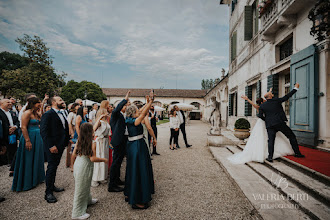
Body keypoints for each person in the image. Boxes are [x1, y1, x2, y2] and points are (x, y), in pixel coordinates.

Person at [228, 91, 296, 164]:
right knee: (267, 138)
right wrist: (247, 99)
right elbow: (253, 105)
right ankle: (269, 153)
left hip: (269, 123)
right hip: (266, 123)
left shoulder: (265, 105)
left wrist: (270, 91)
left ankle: (270, 155)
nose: (265, 100)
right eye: (263, 100)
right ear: (261, 102)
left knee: (271, 139)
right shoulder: (260, 107)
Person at [258, 83, 304, 162]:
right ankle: (297, 153)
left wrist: (267, 119)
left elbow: (260, 115)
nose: (272, 94)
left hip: (270, 125)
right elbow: (287, 96)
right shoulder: (276, 100)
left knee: (271, 140)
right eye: (271, 94)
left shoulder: (262, 105)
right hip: (279, 123)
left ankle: (270, 157)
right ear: (270, 96)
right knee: (291, 136)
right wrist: (295, 88)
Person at [124, 92, 155, 209]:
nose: (139, 112)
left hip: (138, 145)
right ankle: (136, 200)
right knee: (137, 169)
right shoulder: (131, 121)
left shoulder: (132, 118)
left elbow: (142, 112)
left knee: (138, 169)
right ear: (132, 113)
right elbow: (143, 114)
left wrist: (149, 103)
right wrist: (150, 103)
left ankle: (131, 193)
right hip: (136, 147)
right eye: (137, 111)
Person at [71, 123, 107, 220]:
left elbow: (73, 154)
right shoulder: (92, 142)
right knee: (80, 189)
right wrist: (104, 160)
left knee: (85, 185)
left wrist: (72, 166)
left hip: (78, 164)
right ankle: (77, 213)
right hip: (84, 166)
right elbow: (93, 158)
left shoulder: (80, 140)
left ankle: (88, 200)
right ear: (90, 132)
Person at [12, 97, 45, 191]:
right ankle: (27, 181)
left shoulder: (36, 113)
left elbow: (42, 118)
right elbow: (23, 127)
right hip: (29, 137)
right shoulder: (27, 113)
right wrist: (27, 140)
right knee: (28, 158)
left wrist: (41, 107)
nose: (40, 104)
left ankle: (36, 178)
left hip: (37, 137)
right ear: (32, 103)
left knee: (37, 157)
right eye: (38, 103)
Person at [40, 96, 70, 203]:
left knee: (55, 167)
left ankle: (52, 186)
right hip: (53, 146)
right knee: (51, 168)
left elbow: (63, 129)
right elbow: (44, 132)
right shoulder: (48, 114)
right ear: (53, 102)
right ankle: (48, 193)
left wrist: (66, 141)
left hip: (60, 145)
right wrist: (51, 145)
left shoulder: (62, 113)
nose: (63, 101)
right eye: (60, 100)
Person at [108, 91, 130, 192]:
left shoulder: (123, 115)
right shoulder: (115, 113)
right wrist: (125, 98)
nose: (126, 107)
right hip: (118, 141)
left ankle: (117, 180)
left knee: (119, 162)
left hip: (123, 140)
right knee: (116, 162)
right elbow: (117, 108)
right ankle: (112, 185)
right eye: (125, 105)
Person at [91, 101, 110, 187]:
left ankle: (102, 177)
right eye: (105, 112)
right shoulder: (99, 122)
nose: (107, 112)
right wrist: (100, 118)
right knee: (99, 159)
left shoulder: (106, 122)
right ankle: (94, 179)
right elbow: (93, 129)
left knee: (104, 158)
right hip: (100, 142)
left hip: (105, 141)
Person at [0, 99, 19, 165]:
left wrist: (15, 127)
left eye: (10, 102)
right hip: (3, 136)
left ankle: (12, 164)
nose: (10, 103)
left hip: (13, 135)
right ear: (1, 103)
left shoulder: (12, 112)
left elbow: (17, 121)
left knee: (13, 150)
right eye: (8, 102)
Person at [67, 103, 80, 169]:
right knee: (73, 148)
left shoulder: (78, 114)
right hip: (74, 131)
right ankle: (71, 164)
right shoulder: (71, 114)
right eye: (78, 105)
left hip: (78, 131)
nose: (79, 106)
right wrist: (71, 133)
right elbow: (69, 123)